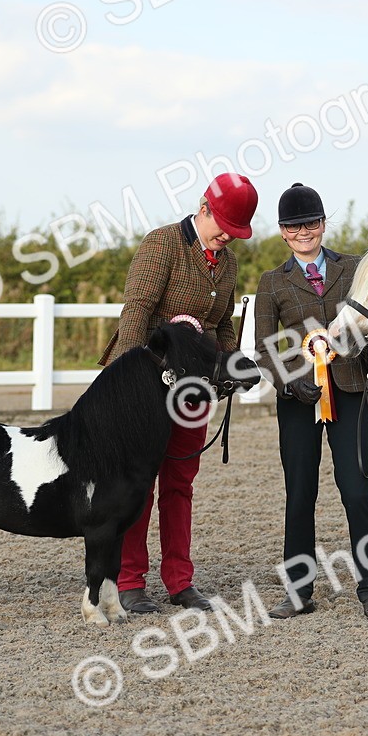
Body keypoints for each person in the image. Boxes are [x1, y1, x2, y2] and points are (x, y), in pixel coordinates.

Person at [98, 172, 258, 614]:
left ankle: (179, 581)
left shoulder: (228, 262)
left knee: (180, 484)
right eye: (223, 226)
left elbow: (221, 323)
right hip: (148, 384)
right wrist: (127, 382)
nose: (227, 237)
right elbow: (137, 311)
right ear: (203, 207)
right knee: (139, 484)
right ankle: (129, 580)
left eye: (236, 231)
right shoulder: (162, 243)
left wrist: (232, 360)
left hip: (193, 389)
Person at [253, 183, 368, 622]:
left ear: (323, 224)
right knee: (300, 495)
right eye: (294, 226)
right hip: (299, 400)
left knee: (358, 492)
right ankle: (298, 592)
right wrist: (290, 384)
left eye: (311, 223)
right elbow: (263, 349)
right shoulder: (272, 282)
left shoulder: (354, 268)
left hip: (351, 392)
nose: (304, 232)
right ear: (283, 231)